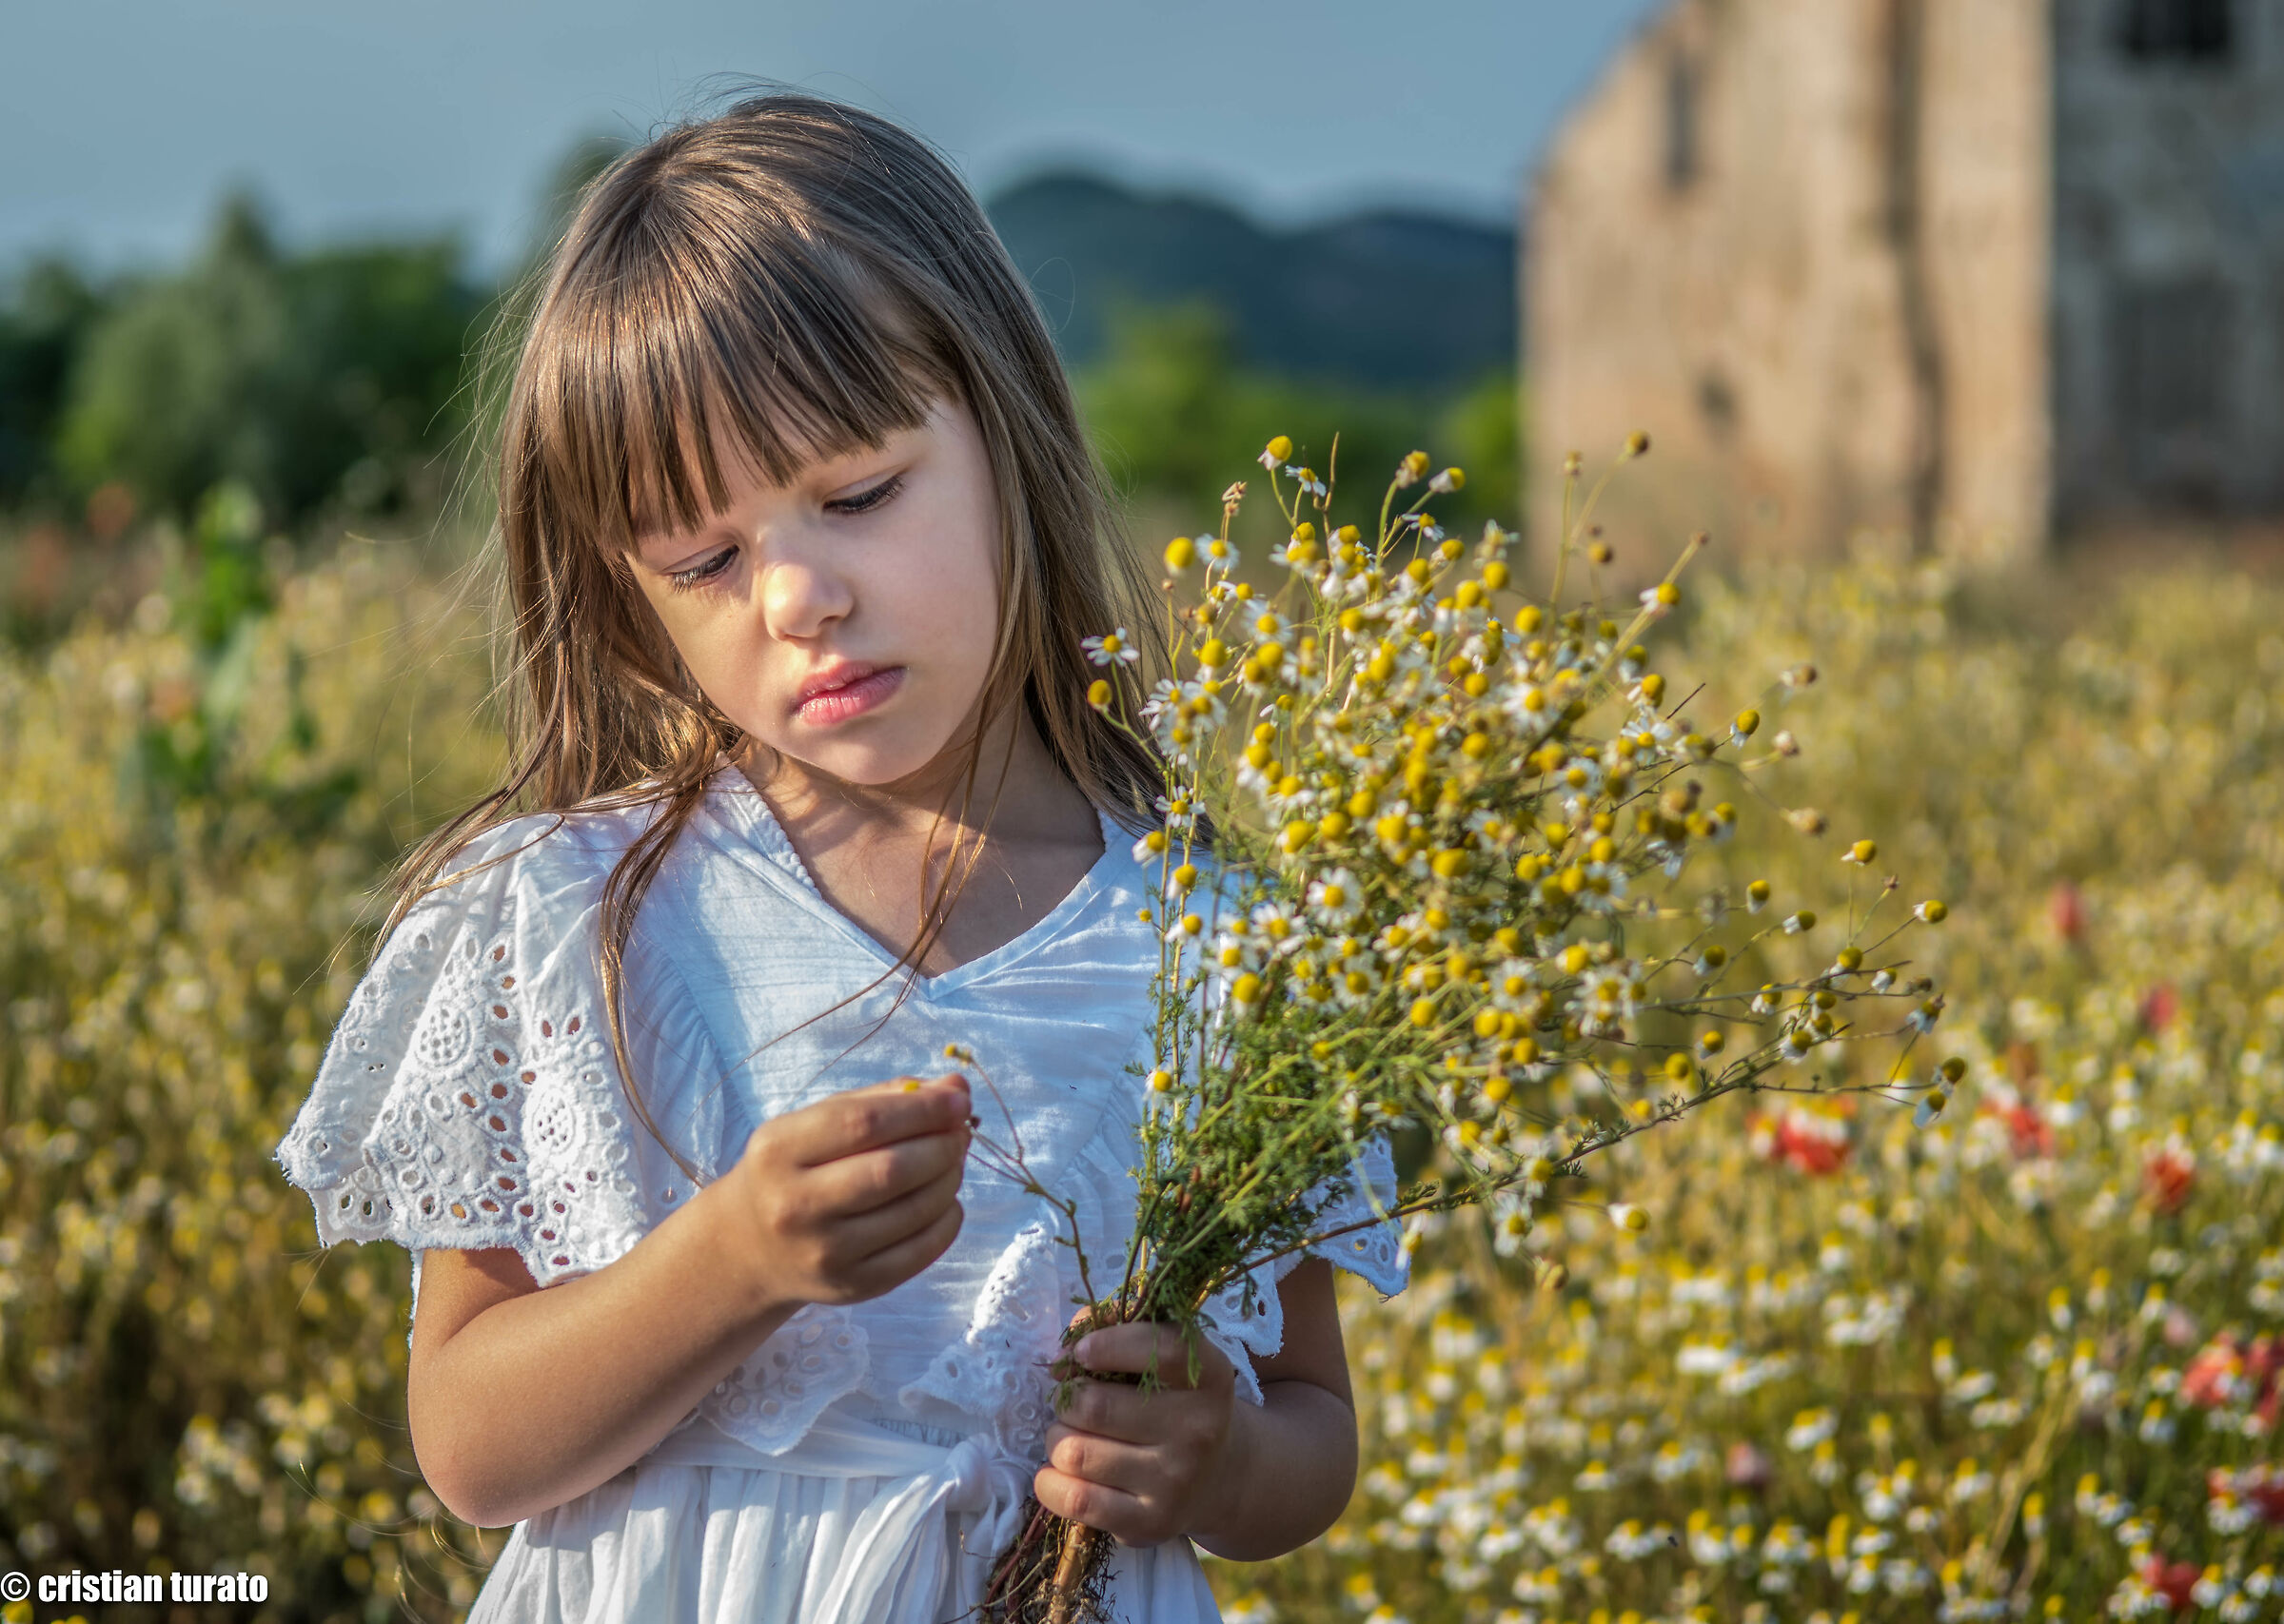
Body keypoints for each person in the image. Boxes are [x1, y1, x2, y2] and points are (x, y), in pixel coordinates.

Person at [271, 89, 1408, 1624]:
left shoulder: (1215, 941)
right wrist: (729, 1263)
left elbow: (1312, 1431)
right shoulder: (563, 920)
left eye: (859, 496)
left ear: (1004, 430)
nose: (797, 596)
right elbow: (474, 1450)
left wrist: (1217, 1457)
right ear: (629, 598)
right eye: (705, 559)